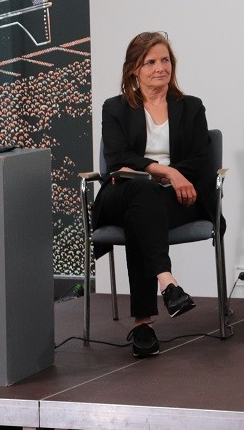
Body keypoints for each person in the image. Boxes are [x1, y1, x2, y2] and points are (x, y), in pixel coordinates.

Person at [93, 31, 220, 358]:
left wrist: (177, 177)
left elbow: (201, 159)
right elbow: (118, 159)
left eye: (165, 60)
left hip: (177, 198)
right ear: (134, 69)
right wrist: (167, 171)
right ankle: (168, 282)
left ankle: (144, 325)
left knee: (143, 211)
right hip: (121, 192)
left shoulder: (191, 108)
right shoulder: (115, 108)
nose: (160, 67)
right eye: (150, 62)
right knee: (141, 193)